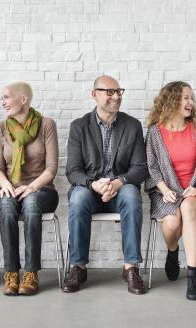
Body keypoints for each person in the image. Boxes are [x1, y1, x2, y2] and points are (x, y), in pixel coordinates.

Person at [63, 75, 148, 295]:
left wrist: (119, 182)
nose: (116, 96)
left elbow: (140, 167)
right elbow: (73, 171)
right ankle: (78, 267)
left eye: (119, 91)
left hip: (120, 189)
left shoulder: (132, 125)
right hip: (91, 190)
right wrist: (93, 185)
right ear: (94, 94)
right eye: (109, 92)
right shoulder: (79, 126)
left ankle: (131, 268)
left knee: (131, 195)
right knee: (78, 197)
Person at [145, 81, 196, 300]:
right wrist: (164, 188)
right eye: (185, 97)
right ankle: (172, 251)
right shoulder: (154, 133)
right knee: (172, 222)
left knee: (187, 209)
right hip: (165, 191)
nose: (190, 102)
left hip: (193, 192)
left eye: (191, 98)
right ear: (172, 101)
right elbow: (151, 167)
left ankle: (192, 276)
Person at [0, 81, 58, 296]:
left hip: (42, 189)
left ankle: (31, 273)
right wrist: (6, 186)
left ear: (23, 99)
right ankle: (11, 273)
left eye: (6, 97)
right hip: (10, 187)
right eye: (2, 98)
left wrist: (31, 187)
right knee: (8, 207)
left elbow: (51, 169)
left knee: (31, 204)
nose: (3, 102)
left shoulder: (46, 125)